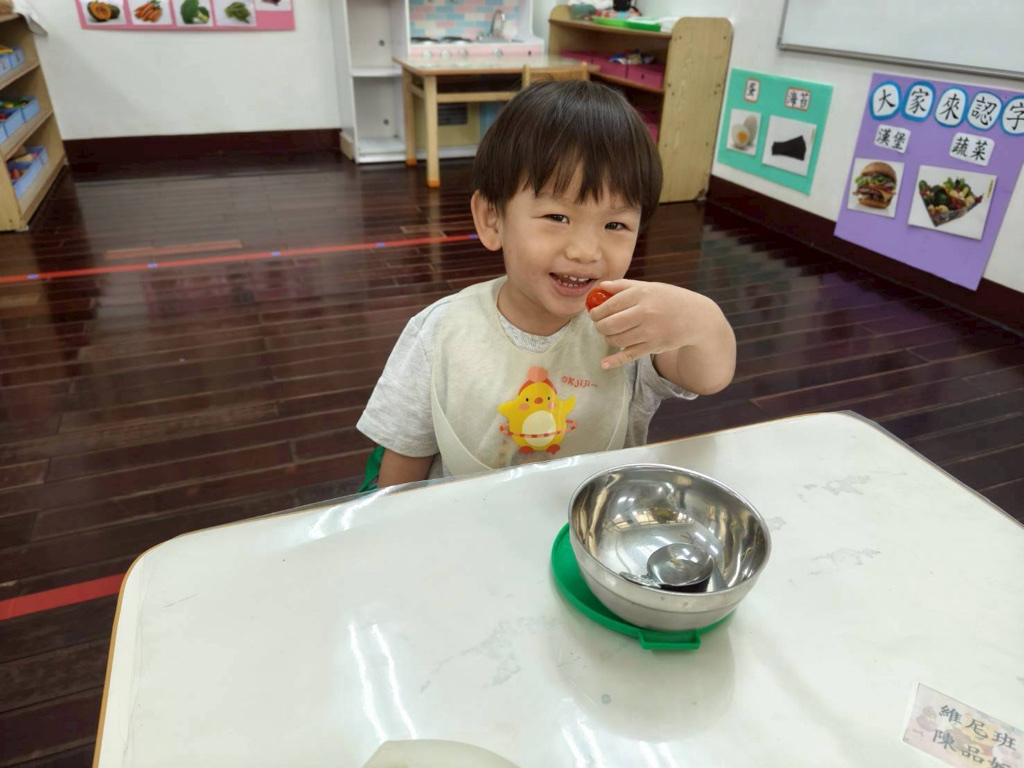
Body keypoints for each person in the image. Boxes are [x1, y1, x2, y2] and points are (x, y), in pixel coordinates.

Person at [357, 80, 736, 488]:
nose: (585, 251)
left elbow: (708, 377)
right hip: (466, 518)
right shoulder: (438, 332)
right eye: (557, 217)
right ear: (492, 219)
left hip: (587, 517)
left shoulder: (628, 326)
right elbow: (404, 460)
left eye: (615, 225)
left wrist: (704, 321)